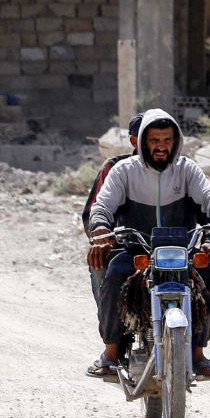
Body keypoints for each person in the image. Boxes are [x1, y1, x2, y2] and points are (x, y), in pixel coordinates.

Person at [85, 108, 210, 381]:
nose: (161, 147)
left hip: (182, 250)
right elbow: (102, 207)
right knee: (114, 276)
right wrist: (100, 230)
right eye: (155, 140)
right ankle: (110, 352)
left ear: (175, 141)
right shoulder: (124, 171)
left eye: (167, 140)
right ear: (142, 141)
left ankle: (198, 354)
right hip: (135, 250)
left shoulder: (186, 169)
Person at [80, 113, 143, 303]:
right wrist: (102, 237)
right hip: (123, 245)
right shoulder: (115, 168)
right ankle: (110, 328)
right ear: (135, 141)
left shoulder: (178, 168)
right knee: (101, 267)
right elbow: (95, 210)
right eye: (150, 138)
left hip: (166, 246)